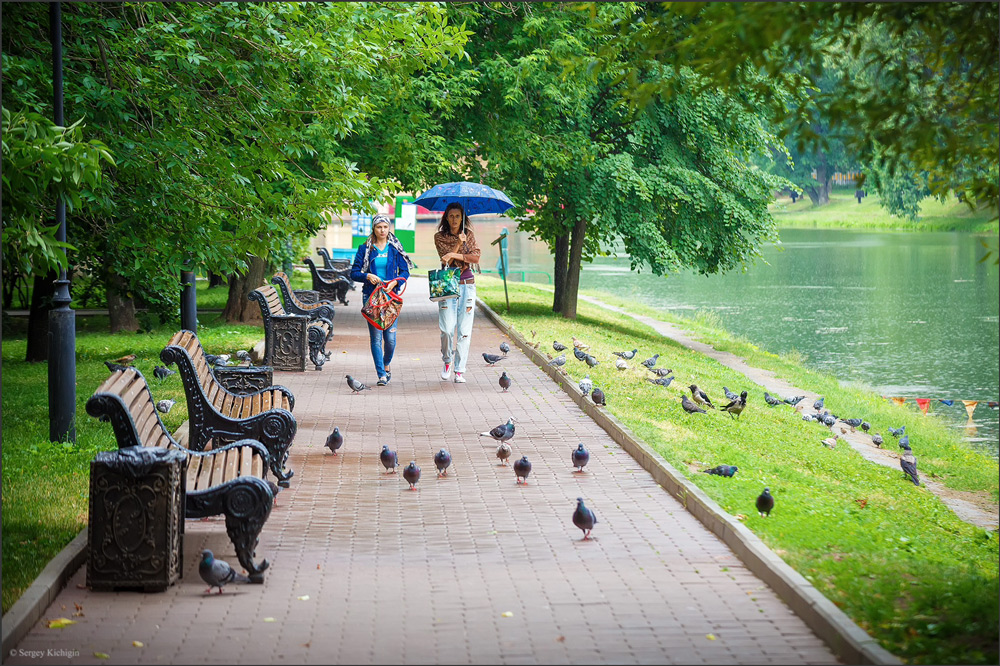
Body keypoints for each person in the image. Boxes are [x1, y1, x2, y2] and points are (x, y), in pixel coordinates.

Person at [350, 214, 414, 386]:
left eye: (385, 227)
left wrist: (395, 282)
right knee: (376, 338)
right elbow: (354, 273)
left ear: (389, 228)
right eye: (379, 227)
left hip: (390, 297)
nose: (382, 230)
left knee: (391, 339)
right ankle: (381, 375)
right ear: (374, 228)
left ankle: (386, 364)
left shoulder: (395, 248)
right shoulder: (365, 249)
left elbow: (405, 271)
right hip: (372, 298)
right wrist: (367, 276)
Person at [434, 203, 482, 384]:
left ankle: (460, 369)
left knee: (464, 331)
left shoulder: (468, 235)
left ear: (462, 218)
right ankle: (447, 361)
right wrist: (458, 246)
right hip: (447, 285)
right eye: (451, 216)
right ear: (446, 217)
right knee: (447, 328)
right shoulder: (439, 237)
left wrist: (459, 255)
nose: (454, 219)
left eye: (457, 216)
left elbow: (476, 258)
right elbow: (445, 258)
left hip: (467, 284)